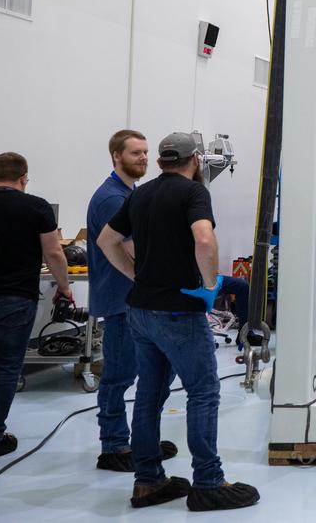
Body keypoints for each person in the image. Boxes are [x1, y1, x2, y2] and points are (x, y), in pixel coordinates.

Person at [96, 132, 258, 511]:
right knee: (203, 391)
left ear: (159, 162)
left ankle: (148, 481)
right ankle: (208, 481)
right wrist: (209, 285)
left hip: (140, 311)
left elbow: (106, 241)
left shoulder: (139, 193)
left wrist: (136, 276)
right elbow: (204, 239)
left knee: (149, 395)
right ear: (195, 161)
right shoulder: (193, 193)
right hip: (178, 312)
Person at [0, 152, 72, 460]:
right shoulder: (37, 207)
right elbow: (53, 253)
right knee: (7, 366)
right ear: (23, 177)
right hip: (17, 298)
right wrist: (64, 287)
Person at [87, 130, 179, 471]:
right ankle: (113, 445)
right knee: (120, 375)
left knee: (158, 372)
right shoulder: (113, 199)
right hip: (122, 300)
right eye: (135, 153)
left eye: (145, 152)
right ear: (116, 156)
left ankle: (141, 439)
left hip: (136, 299)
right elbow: (132, 251)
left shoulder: (131, 194)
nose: (142, 158)